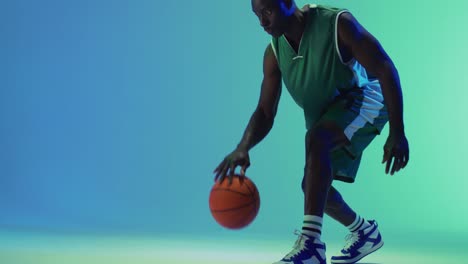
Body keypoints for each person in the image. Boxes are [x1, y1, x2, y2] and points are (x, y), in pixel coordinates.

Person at [213, 1, 410, 263]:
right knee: (314, 189)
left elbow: (386, 69)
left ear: (286, 2)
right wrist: (243, 147)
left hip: (367, 98)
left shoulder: (337, 24)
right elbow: (264, 111)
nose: (262, 21)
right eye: (257, 15)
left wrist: (398, 132)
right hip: (330, 114)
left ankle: (311, 245)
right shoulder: (274, 53)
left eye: (267, 11)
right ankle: (365, 232)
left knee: (317, 139)